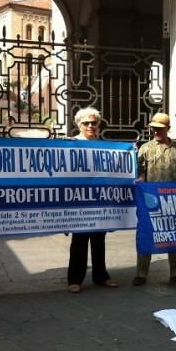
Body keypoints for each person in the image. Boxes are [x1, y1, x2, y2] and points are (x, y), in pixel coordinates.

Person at [133, 112, 176, 286]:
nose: (156, 132)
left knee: (174, 234)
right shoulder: (145, 148)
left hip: (172, 199)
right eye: (154, 128)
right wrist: (140, 180)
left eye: (160, 129)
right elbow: (141, 172)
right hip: (151, 199)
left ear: (168, 129)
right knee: (146, 233)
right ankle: (141, 273)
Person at [66, 107, 119, 293]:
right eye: (86, 123)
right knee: (79, 241)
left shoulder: (104, 146)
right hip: (79, 202)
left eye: (94, 123)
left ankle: (100, 276)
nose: (90, 126)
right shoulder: (71, 144)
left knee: (99, 241)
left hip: (99, 200)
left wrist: (129, 153)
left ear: (98, 124)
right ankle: (75, 279)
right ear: (78, 125)